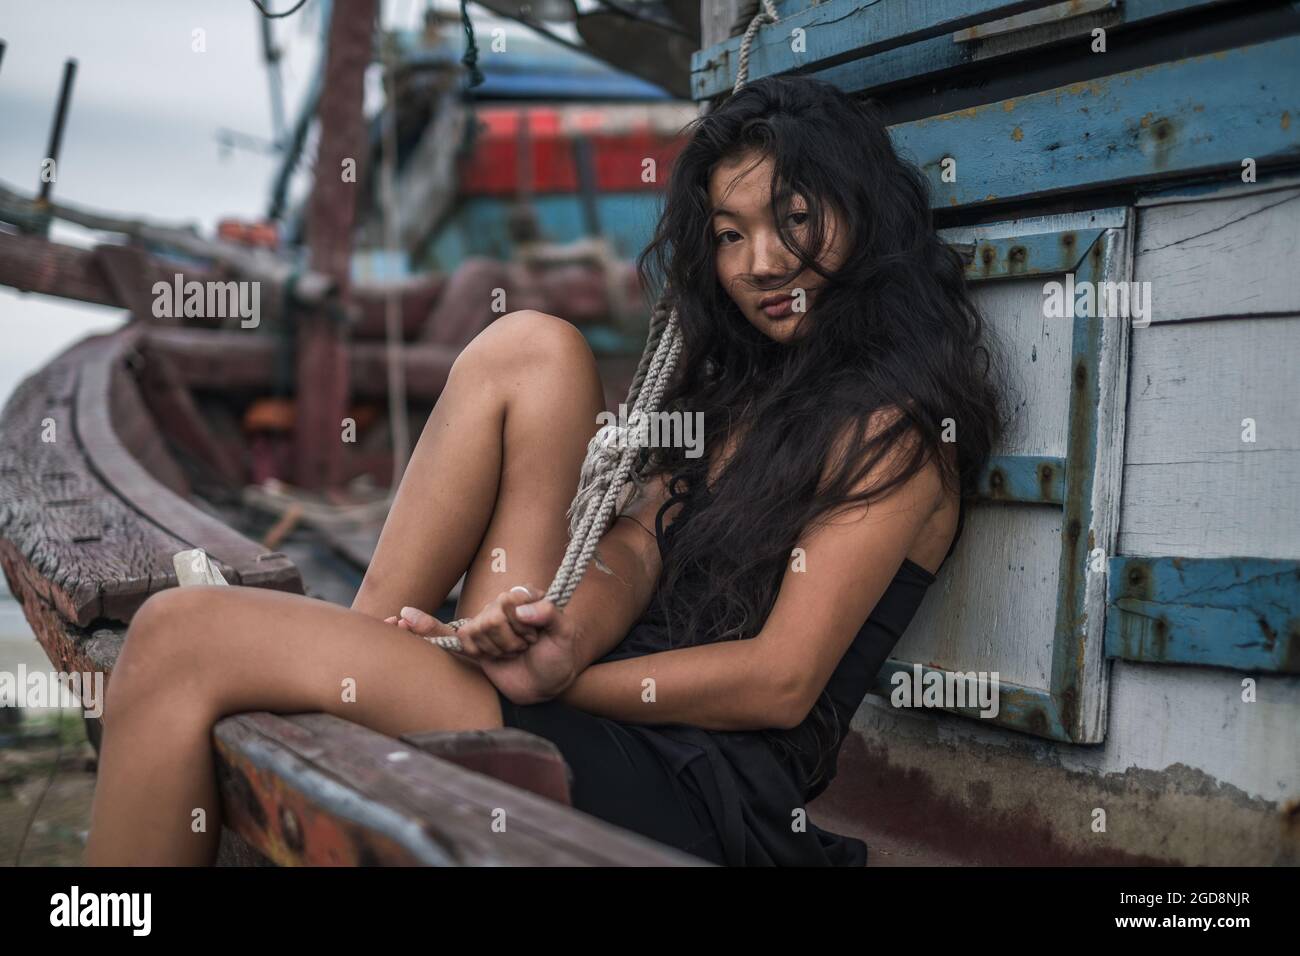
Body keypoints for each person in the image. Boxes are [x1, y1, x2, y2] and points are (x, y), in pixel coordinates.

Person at [84, 75, 1004, 866]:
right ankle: (369, 648)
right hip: (586, 697)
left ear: (862, 215)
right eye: (728, 235)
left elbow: (779, 681)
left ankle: (368, 669)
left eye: (794, 220)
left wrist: (564, 682)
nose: (760, 263)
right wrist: (556, 634)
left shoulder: (897, 433)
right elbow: (639, 545)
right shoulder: (735, 395)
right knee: (532, 347)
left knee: (177, 636)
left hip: (688, 785)